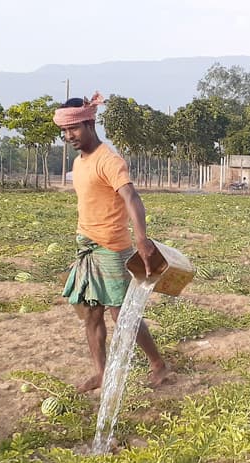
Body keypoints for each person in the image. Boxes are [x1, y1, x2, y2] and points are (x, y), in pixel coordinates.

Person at [53, 93, 173, 393]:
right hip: (87, 247)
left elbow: (131, 196)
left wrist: (142, 239)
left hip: (112, 247)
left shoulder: (109, 159)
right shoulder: (80, 162)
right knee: (91, 313)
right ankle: (102, 373)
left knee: (122, 314)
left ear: (90, 123)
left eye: (75, 129)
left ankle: (158, 364)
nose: (69, 136)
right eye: (65, 131)